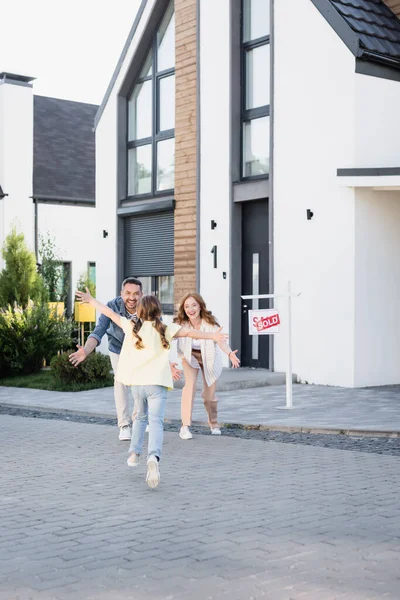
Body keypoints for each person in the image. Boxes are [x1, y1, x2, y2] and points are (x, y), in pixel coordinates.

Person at [75, 290, 229, 488]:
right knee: (156, 423)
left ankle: (134, 453)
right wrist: (213, 336)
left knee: (139, 418)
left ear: (138, 312)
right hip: (157, 385)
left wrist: (90, 300)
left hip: (138, 385)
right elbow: (190, 332)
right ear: (158, 312)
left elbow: (108, 312)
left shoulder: (131, 326)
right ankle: (153, 458)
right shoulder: (165, 328)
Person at [69, 277, 181, 441]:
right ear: (121, 293)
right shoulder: (112, 306)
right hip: (118, 349)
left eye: (136, 293)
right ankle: (124, 425)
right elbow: (98, 332)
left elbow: (161, 338)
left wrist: (168, 364)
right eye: (128, 293)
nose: (132, 297)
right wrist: (86, 350)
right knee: (120, 381)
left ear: (141, 294)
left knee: (142, 383)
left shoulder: (148, 307)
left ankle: (138, 420)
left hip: (140, 350)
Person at [175, 292, 240, 440]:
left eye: (193, 305)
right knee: (189, 387)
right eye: (187, 306)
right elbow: (167, 338)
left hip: (209, 358)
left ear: (200, 306)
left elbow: (220, 341)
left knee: (209, 396)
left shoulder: (210, 323)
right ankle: (185, 426)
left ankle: (213, 423)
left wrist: (230, 354)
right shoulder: (181, 324)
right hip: (189, 356)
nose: (190, 309)